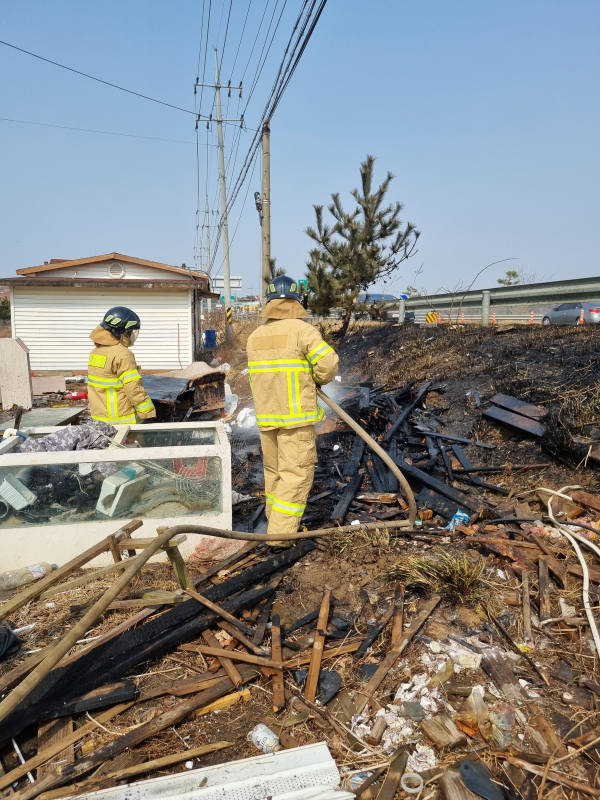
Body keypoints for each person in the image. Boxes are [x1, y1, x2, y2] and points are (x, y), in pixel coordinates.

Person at [246, 276, 339, 541]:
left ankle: (274, 524)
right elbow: (328, 366)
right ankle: (281, 537)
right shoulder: (302, 331)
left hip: (267, 419)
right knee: (296, 475)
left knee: (274, 474)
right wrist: (316, 378)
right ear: (297, 301)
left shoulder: (255, 337)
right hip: (295, 421)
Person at [88, 306, 156, 425]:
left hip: (99, 420)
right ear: (121, 332)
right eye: (130, 332)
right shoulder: (122, 354)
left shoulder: (97, 352)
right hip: (121, 422)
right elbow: (133, 388)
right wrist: (148, 414)